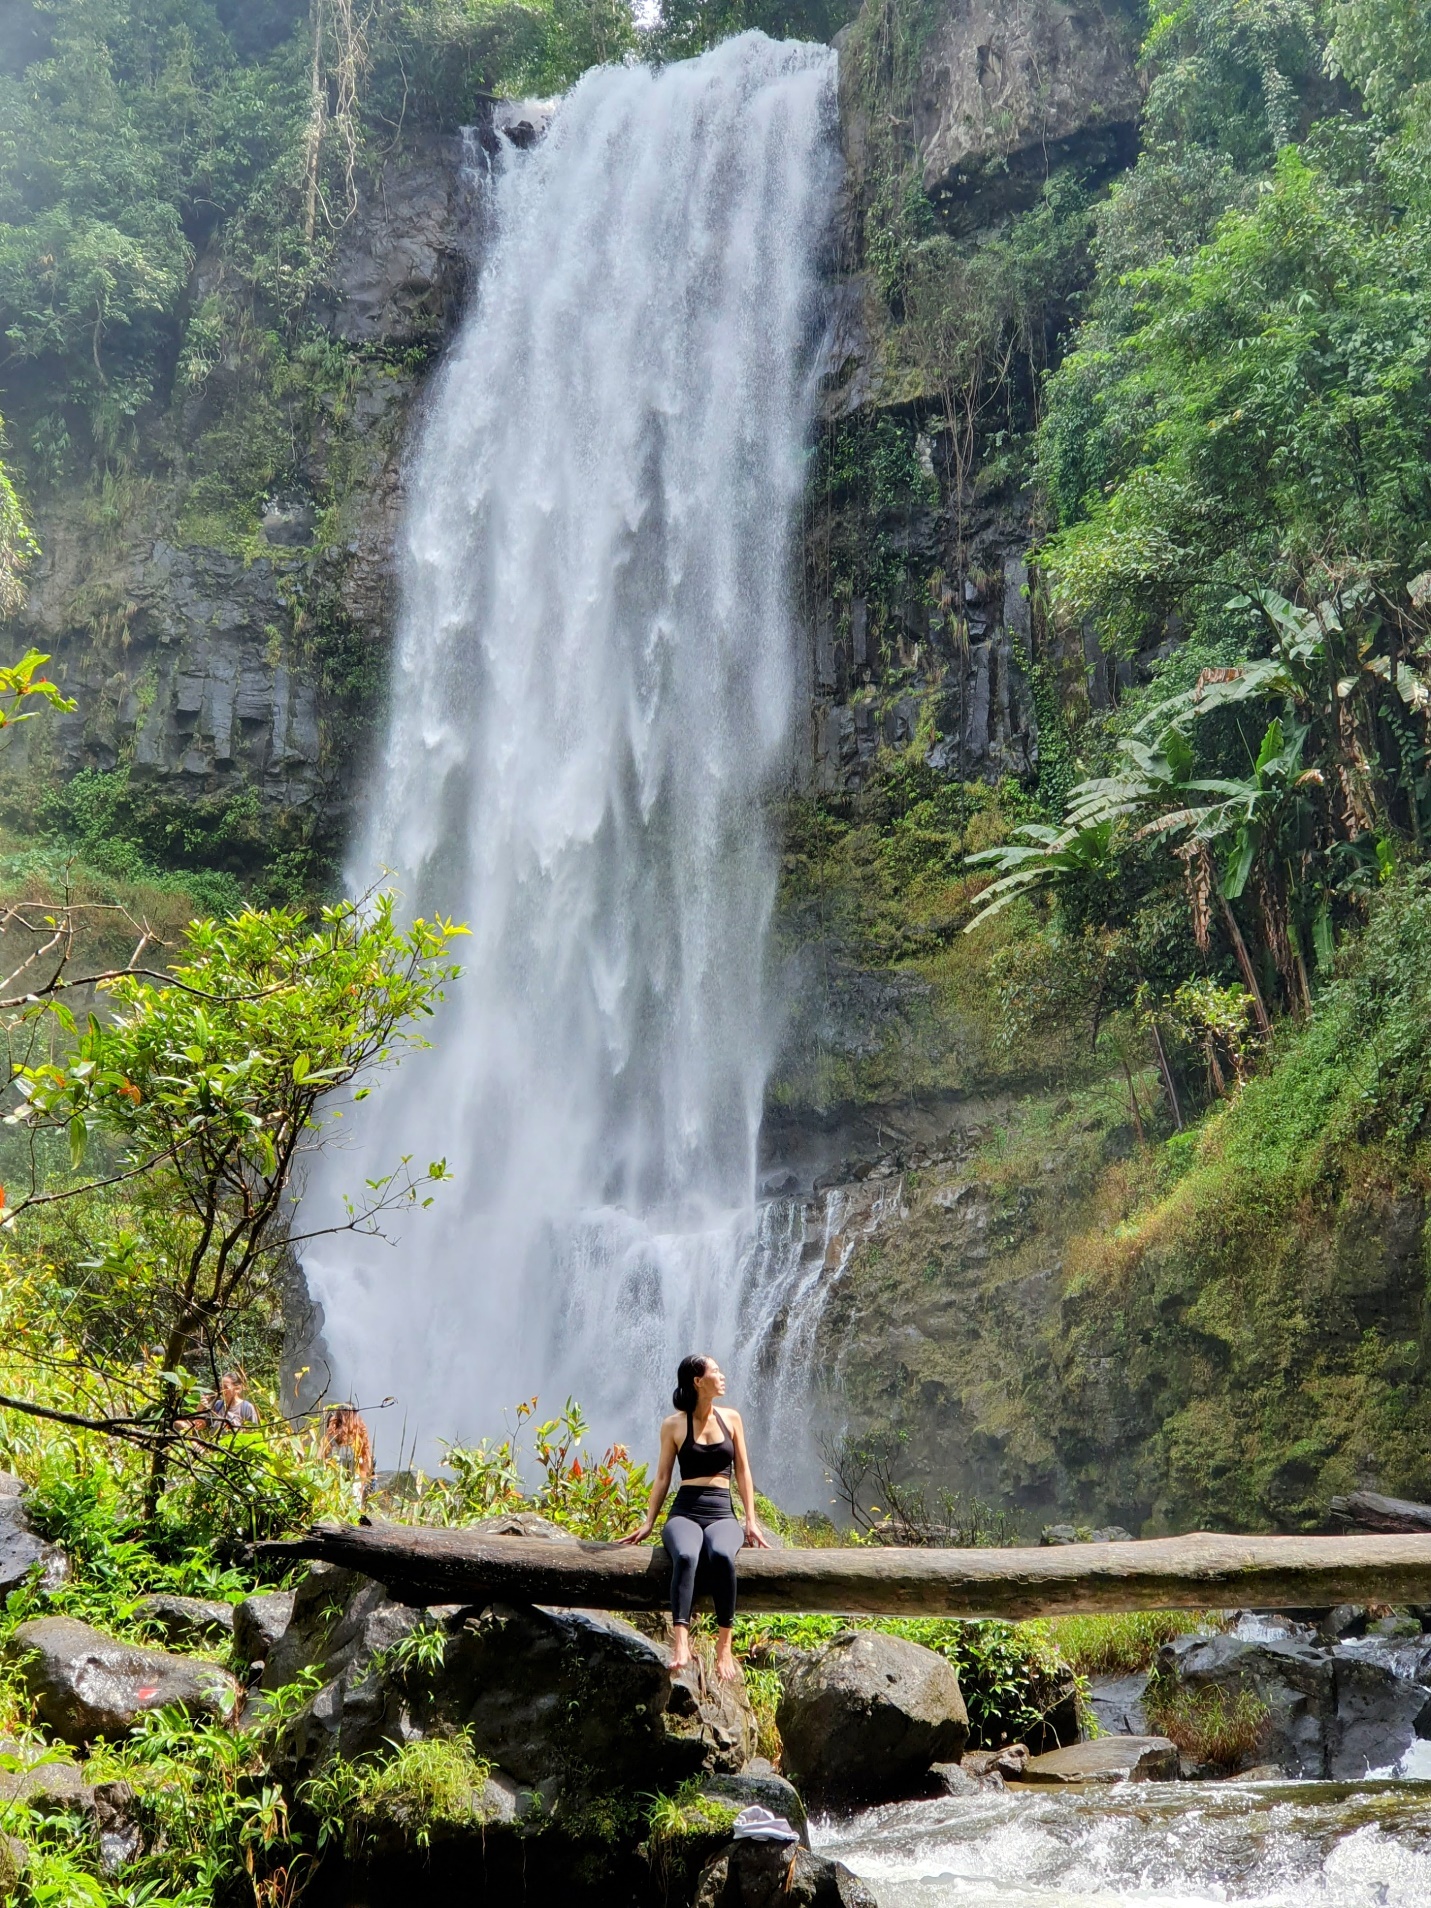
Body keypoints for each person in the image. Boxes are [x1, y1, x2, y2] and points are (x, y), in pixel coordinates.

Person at [619, 1354, 769, 1682]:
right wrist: (648, 1522)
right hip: (684, 1511)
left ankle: (724, 1645)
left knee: (720, 1555)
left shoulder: (732, 1418)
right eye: (715, 1371)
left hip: (721, 1512)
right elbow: (662, 1477)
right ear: (698, 1382)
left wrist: (750, 1520)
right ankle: (681, 1642)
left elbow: (743, 1471)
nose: (722, 1375)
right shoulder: (673, 1424)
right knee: (686, 1556)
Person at [320, 1403, 375, 1503]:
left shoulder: (328, 1439)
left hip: (331, 1484)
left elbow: (320, 1460)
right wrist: (361, 1491)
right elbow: (364, 1468)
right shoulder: (359, 1439)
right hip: (354, 1486)